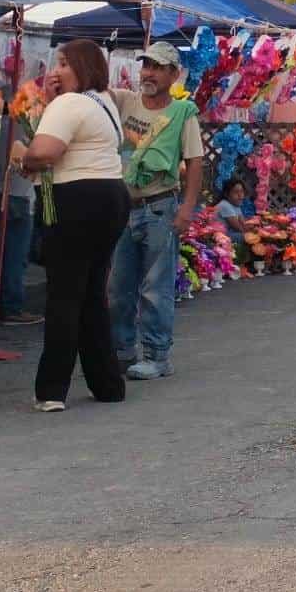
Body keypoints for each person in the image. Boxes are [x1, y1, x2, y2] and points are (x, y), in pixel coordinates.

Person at [11, 38, 130, 412]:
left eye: (63, 64)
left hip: (76, 199)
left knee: (64, 294)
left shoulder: (70, 103)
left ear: (82, 66)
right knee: (91, 293)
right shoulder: (103, 101)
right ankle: (107, 383)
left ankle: (51, 389)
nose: (55, 71)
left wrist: (22, 156)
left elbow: (46, 152)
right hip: (110, 196)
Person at [108, 40, 205, 381]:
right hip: (122, 207)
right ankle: (120, 352)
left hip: (160, 207)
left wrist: (187, 208)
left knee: (155, 288)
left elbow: (194, 162)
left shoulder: (182, 114)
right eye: (145, 65)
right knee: (118, 287)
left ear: (173, 75)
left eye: (157, 67)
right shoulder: (124, 101)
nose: (147, 72)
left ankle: (156, 355)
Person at [0, 110, 41, 326]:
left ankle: (3, 303)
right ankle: (10, 306)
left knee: (6, 252)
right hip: (14, 191)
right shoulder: (24, 120)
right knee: (14, 254)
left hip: (5, 187)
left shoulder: (5, 119)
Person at [215, 176, 248, 242]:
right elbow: (238, 228)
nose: (240, 195)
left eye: (241, 191)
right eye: (236, 192)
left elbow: (244, 224)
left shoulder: (236, 205)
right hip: (218, 235)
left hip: (228, 233)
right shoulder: (225, 205)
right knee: (246, 238)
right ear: (226, 194)